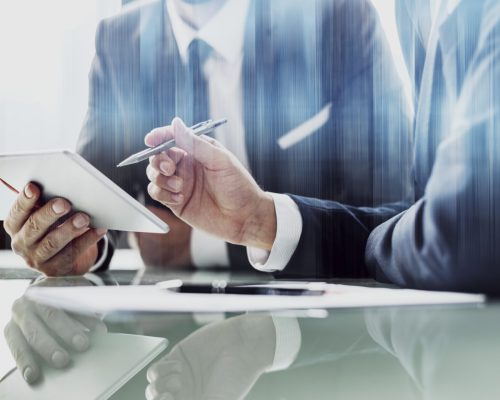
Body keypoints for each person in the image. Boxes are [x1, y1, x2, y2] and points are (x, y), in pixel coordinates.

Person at [2, 0, 411, 276]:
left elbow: (399, 216)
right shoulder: (120, 41)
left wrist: (206, 245)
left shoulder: (338, 18)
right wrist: (78, 247)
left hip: (325, 338)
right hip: (170, 352)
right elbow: (95, 202)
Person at [145, 0, 500, 294]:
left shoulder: (340, 18)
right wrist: (260, 220)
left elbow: (460, 235)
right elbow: (422, 217)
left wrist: (373, 244)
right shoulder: (415, 9)